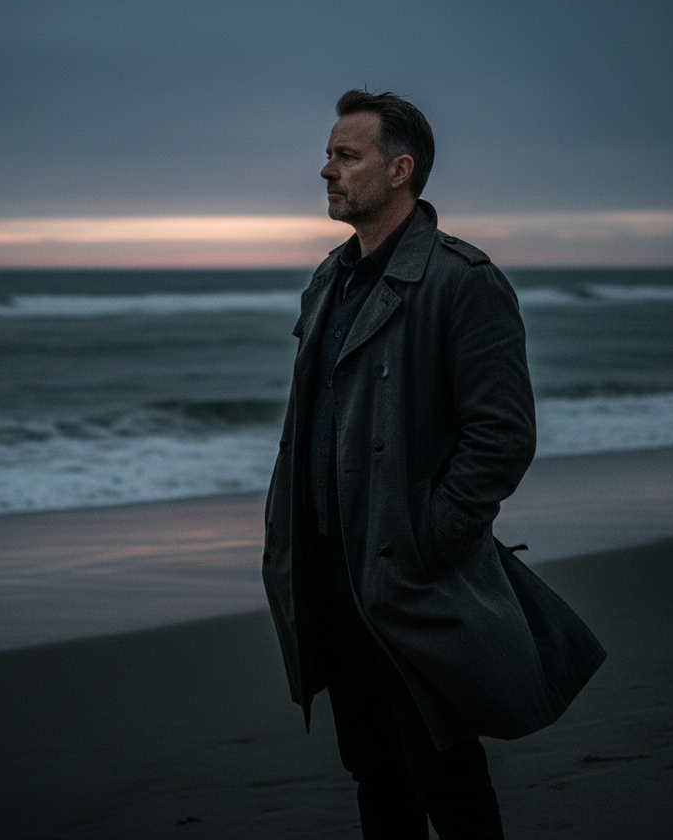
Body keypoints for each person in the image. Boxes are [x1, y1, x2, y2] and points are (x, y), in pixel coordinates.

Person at [262, 90, 605, 839]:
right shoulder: (330, 278)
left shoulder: (461, 281)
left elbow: (502, 436)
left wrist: (427, 539)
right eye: (329, 154)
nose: (325, 170)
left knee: (442, 771)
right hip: (330, 574)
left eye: (346, 156)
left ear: (399, 170)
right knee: (374, 776)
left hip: (404, 575)